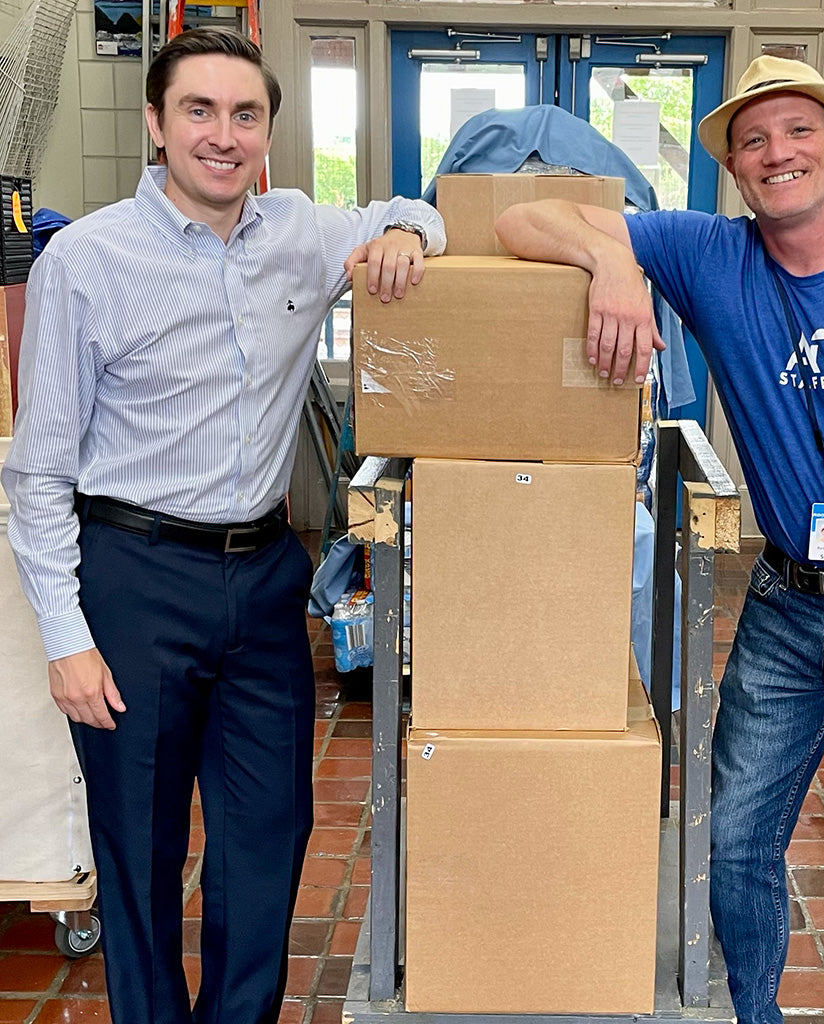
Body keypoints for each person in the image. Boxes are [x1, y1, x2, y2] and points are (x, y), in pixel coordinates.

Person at [494, 54, 824, 1024]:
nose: (777, 152)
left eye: (798, 130)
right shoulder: (706, 254)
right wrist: (614, 259)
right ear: (735, 167)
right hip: (784, 605)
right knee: (733, 838)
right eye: (753, 139)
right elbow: (518, 217)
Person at [2, 27, 443, 1024]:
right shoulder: (87, 258)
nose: (222, 134)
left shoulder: (298, 229)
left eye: (245, 114)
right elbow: (39, 474)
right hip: (132, 578)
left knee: (267, 835)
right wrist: (67, 638)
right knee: (139, 843)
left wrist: (408, 233)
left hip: (262, 576)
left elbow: (414, 206)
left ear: (268, 134)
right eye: (198, 110)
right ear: (155, 125)